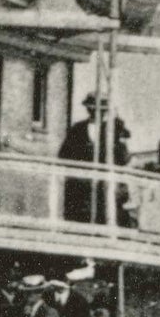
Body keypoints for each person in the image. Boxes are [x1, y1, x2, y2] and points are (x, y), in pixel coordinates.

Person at [60, 94, 101, 223]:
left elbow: (121, 158)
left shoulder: (111, 132)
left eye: (100, 109)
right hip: (79, 187)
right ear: (88, 109)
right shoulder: (77, 129)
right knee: (77, 220)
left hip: (101, 188)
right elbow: (64, 154)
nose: (95, 111)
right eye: (92, 108)